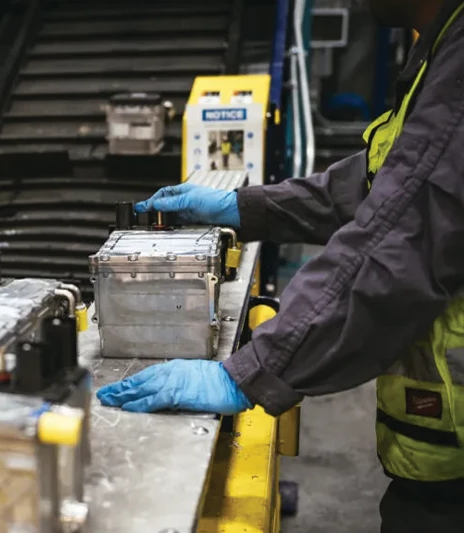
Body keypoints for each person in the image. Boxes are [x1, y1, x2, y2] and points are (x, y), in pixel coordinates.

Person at [98, 0, 464, 531]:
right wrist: (244, 207)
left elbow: (400, 240)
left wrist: (253, 369)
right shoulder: (440, 49)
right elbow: (377, 186)